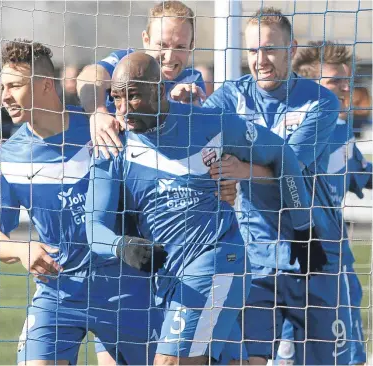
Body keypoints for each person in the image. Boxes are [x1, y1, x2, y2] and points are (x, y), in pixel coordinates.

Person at [85, 52, 324, 366]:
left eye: (134, 97)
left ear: (158, 91)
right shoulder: (112, 144)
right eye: (116, 98)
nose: (124, 109)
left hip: (217, 260)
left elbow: (281, 153)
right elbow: (93, 229)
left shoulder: (211, 124)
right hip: (167, 277)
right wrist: (123, 246)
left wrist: (303, 227)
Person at [0, 39, 162, 366]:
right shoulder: (7, 158)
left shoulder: (101, 129)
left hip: (123, 285)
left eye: (15, 86)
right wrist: (22, 250)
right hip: (59, 289)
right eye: (2, 86)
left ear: (46, 85)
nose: (5, 95)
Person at [203, 7, 351, 365]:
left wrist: (239, 167)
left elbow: (291, 165)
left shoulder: (321, 100)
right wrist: (182, 104)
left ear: (291, 48)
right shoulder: (229, 98)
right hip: (254, 254)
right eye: (253, 51)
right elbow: (200, 143)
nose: (260, 60)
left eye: (269, 49)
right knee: (247, 358)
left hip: (313, 251)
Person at [275, 41, 372, 366]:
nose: (345, 89)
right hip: (283, 262)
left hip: (331, 261)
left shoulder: (343, 134)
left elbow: (363, 174)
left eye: (347, 81)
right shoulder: (284, 130)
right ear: (308, 86)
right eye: (334, 81)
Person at [77, 0, 206, 160]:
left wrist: (186, 108)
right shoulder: (126, 63)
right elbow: (88, 76)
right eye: (162, 44)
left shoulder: (192, 80)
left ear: (191, 46)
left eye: (180, 47)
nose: (170, 56)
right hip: (115, 163)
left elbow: (196, 144)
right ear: (146, 40)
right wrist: (98, 112)